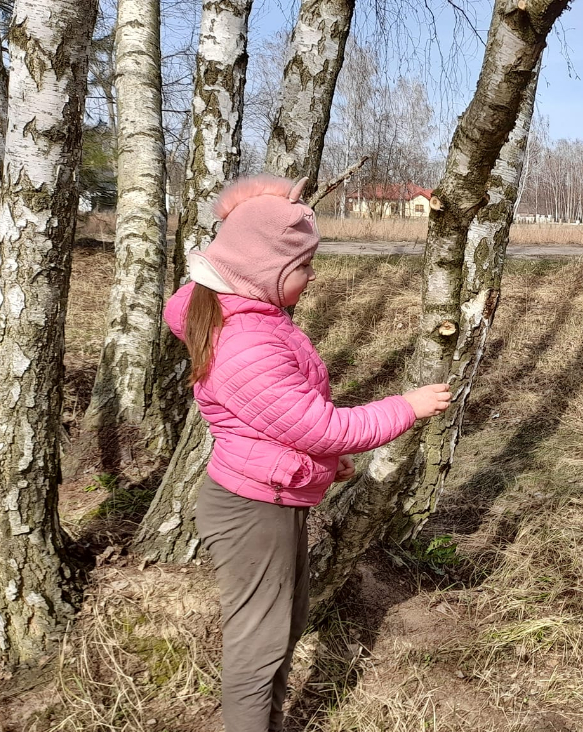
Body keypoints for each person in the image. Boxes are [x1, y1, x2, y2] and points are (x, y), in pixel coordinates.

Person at [163, 175, 451, 732]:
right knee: (258, 649)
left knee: (282, 627)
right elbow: (317, 426)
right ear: (263, 270)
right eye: (304, 266)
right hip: (255, 511)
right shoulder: (246, 342)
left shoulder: (250, 317)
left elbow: (277, 420)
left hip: (272, 494)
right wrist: (405, 408)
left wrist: (321, 465)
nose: (312, 277)